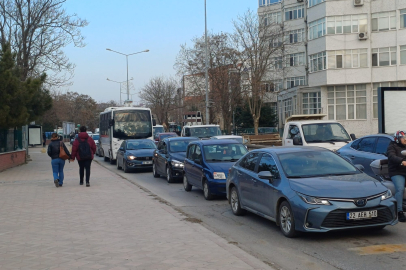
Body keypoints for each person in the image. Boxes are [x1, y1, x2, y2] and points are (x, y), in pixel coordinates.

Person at [387, 130, 406, 222]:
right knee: (400, 189)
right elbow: (391, 156)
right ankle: (399, 212)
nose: (405, 139)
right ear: (398, 139)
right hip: (396, 172)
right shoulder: (392, 146)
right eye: (403, 138)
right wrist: (401, 161)